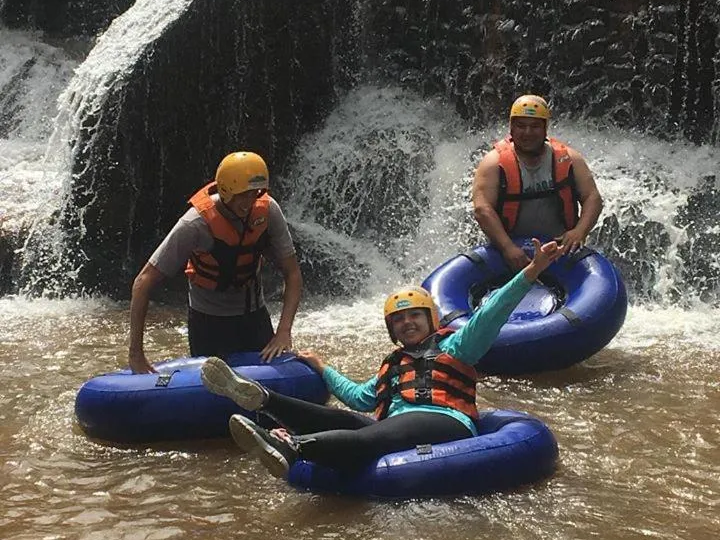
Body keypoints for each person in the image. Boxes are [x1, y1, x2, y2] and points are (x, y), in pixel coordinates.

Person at [199, 238, 564, 480]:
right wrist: (323, 367)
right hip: (394, 424)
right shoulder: (393, 363)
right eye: (399, 320)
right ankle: (263, 398)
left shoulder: (458, 346)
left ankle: (294, 445)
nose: (407, 324)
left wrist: (531, 271)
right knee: (344, 418)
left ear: (430, 320)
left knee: (380, 433)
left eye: (414, 317)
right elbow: (361, 398)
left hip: (444, 422)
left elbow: (493, 311)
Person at [128, 151, 302, 373]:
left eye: (254, 194)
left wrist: (284, 331)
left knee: (265, 398)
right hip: (208, 323)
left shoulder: (268, 211)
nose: (249, 202)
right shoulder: (195, 224)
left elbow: (293, 273)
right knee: (214, 399)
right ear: (227, 191)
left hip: (253, 317)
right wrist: (137, 355)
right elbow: (143, 281)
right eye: (243, 195)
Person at [472, 94, 603, 271]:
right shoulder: (493, 163)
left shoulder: (570, 159)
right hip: (510, 251)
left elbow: (592, 198)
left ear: (545, 129)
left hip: (560, 250)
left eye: (535, 126)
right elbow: (482, 209)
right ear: (511, 127)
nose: (528, 133)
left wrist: (579, 232)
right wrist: (507, 248)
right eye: (521, 126)